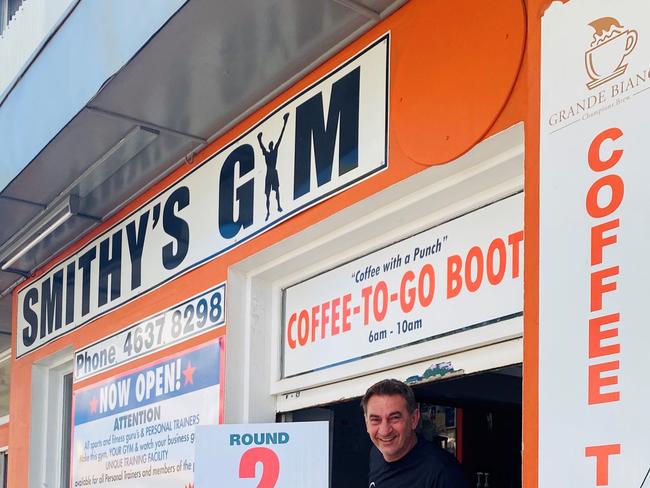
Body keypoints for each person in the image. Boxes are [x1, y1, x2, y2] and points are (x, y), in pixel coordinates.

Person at [362, 379, 468, 488]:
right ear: (366, 422)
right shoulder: (376, 453)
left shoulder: (443, 473)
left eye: (394, 418)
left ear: (414, 419)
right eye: (375, 419)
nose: (384, 431)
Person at [257, 113, 289, 221]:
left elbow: (280, 138)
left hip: (272, 172)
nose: (271, 145)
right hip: (270, 173)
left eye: (271, 144)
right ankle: (268, 212)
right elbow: (262, 147)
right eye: (271, 144)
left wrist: (285, 123)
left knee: (276, 191)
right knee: (268, 194)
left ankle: (278, 206)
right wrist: (259, 140)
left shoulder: (273, 151)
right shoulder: (269, 153)